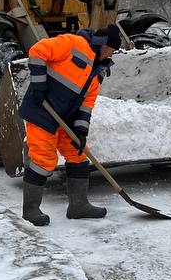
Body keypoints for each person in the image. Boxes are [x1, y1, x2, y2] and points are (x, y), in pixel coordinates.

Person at [17, 24, 121, 226]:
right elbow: (37, 51)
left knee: (79, 155)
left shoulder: (99, 69)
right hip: (42, 111)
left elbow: (87, 103)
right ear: (102, 44)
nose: (112, 53)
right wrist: (39, 86)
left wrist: (81, 130)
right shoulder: (74, 43)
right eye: (111, 48)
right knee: (43, 159)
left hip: (66, 120)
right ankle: (30, 210)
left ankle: (78, 206)